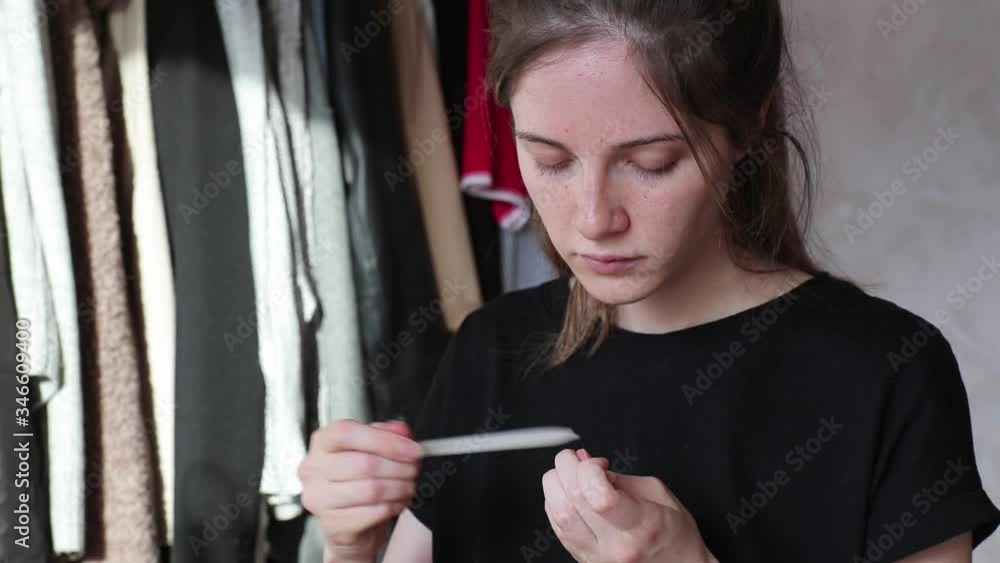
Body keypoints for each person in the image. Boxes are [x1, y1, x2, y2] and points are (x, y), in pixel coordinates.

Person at [298, 1, 1000, 561]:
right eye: (550, 159)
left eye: (652, 163)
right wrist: (350, 545)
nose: (593, 218)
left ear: (749, 125)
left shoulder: (886, 371)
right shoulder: (490, 349)